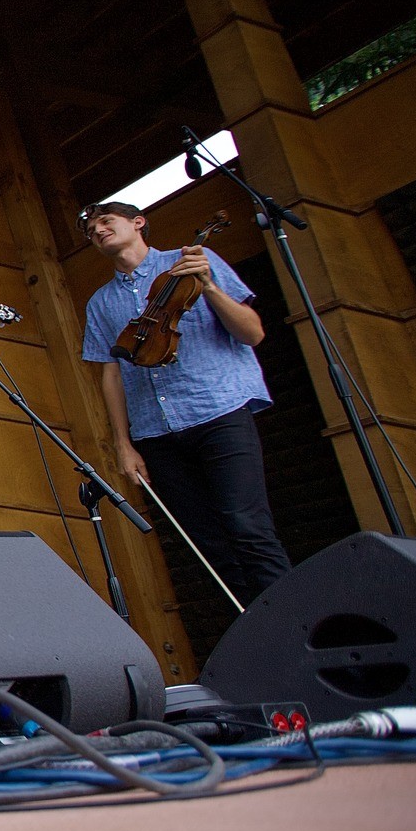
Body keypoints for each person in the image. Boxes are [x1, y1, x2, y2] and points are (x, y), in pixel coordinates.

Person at [80, 200, 290, 601]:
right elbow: (112, 374)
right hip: (156, 434)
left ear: (138, 222)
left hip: (218, 411)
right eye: (91, 231)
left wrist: (208, 286)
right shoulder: (101, 303)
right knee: (208, 545)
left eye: (106, 221)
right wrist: (124, 445)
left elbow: (253, 334)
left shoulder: (194, 259)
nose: (98, 230)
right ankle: (252, 630)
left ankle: (292, 623)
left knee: (248, 528)